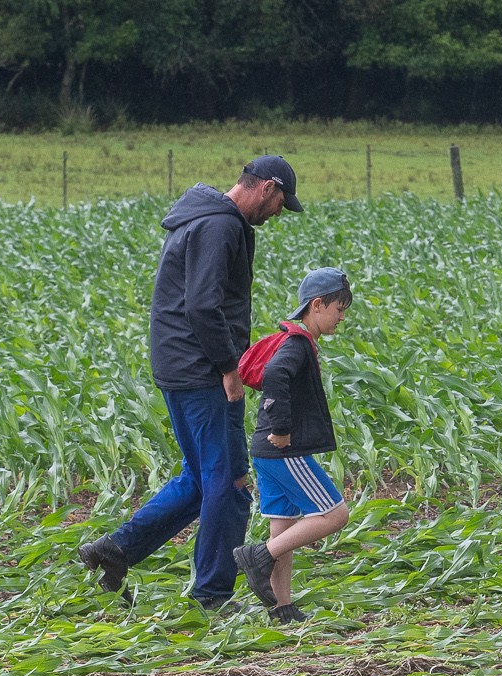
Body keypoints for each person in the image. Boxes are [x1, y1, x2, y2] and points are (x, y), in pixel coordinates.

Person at [78, 156, 303, 610]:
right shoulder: (220, 227)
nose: (279, 211)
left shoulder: (198, 218)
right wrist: (228, 367)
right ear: (266, 187)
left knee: (201, 479)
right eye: (281, 201)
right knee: (231, 482)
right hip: (203, 372)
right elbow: (203, 306)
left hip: (177, 366)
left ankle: (117, 550)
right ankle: (212, 595)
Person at [232, 267, 354, 623]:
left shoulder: (294, 340)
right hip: (284, 449)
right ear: (317, 305)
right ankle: (257, 555)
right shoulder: (297, 344)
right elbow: (275, 376)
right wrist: (283, 430)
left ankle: (281, 608)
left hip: (266, 451)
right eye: (339, 309)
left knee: (282, 527)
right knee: (335, 514)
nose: (342, 318)